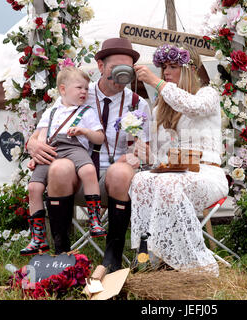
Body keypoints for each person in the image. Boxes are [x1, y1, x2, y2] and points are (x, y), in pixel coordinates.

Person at [26, 38, 151, 268]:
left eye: (127, 68)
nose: (122, 74)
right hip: (75, 176)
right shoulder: (79, 91)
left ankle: (112, 256)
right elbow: (46, 128)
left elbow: (145, 152)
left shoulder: (137, 103)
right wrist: (32, 145)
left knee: (121, 172)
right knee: (60, 167)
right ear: (101, 67)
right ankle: (62, 253)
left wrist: (136, 155)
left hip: (113, 181)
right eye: (115, 68)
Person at [132, 44, 229, 276]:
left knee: (168, 184)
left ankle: (195, 266)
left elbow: (193, 107)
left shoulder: (207, 94)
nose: (166, 71)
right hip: (172, 172)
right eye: (163, 67)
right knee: (141, 180)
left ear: (189, 70)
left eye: (173, 66)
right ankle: (148, 256)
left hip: (206, 173)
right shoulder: (159, 109)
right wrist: (145, 154)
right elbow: (158, 157)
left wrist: (155, 82)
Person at [20, 66, 106, 256]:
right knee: (34, 187)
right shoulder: (51, 112)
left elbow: (99, 138)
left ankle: (94, 219)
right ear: (63, 89)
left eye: (86, 88)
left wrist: (84, 131)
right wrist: (36, 155)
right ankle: (38, 237)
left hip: (75, 148)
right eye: (79, 88)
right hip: (52, 150)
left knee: (88, 171)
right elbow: (42, 134)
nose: (84, 91)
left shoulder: (87, 112)